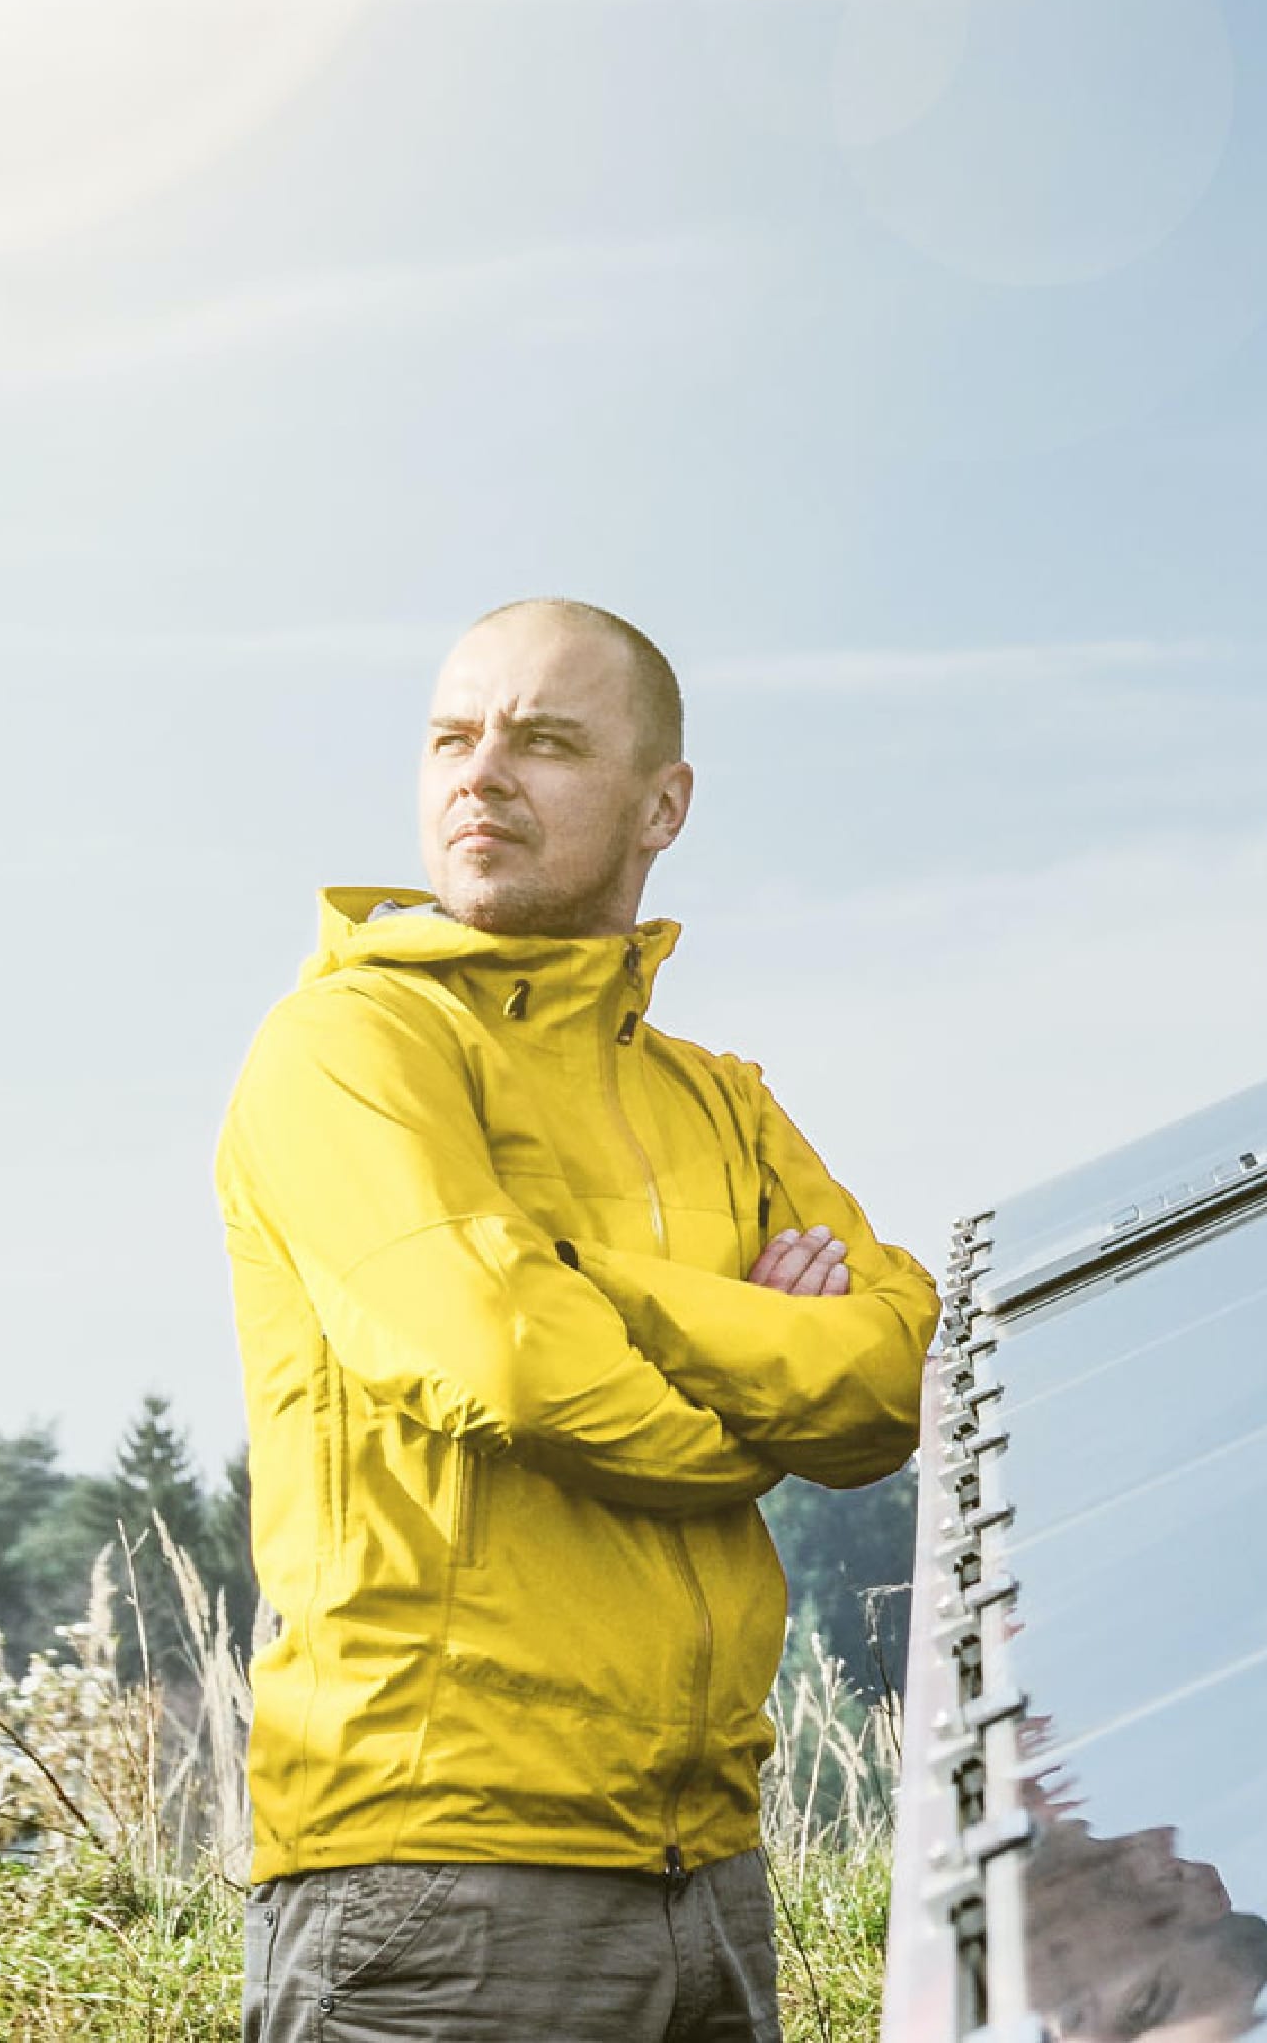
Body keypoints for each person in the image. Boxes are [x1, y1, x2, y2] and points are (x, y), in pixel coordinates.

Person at [212, 597, 942, 2043]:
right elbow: (509, 1362)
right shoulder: (348, 1045)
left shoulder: (720, 1097)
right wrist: (756, 1404)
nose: (481, 774)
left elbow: (889, 1376)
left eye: (543, 741)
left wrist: (578, 1277)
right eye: (451, 739)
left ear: (663, 805)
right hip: (431, 1873)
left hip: (709, 1873)